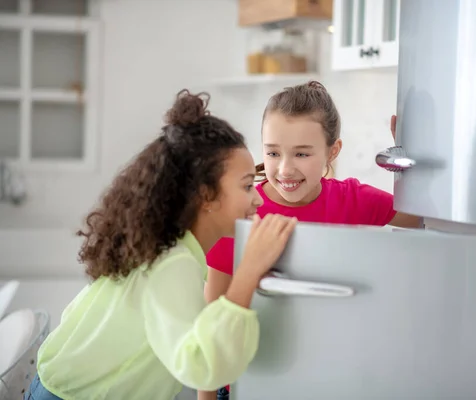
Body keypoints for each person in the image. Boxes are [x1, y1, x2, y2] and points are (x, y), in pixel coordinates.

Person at [24, 89, 297, 400]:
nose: (257, 199)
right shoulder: (174, 263)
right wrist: (247, 273)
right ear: (205, 195)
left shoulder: (160, 247)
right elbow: (199, 366)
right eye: (247, 186)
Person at [199, 81, 422, 400]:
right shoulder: (237, 214)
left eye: (302, 153)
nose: (285, 169)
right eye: (273, 152)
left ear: (333, 151)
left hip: (327, 379)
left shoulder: (353, 200)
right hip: (247, 384)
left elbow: (418, 220)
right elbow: (211, 328)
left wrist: (409, 161)